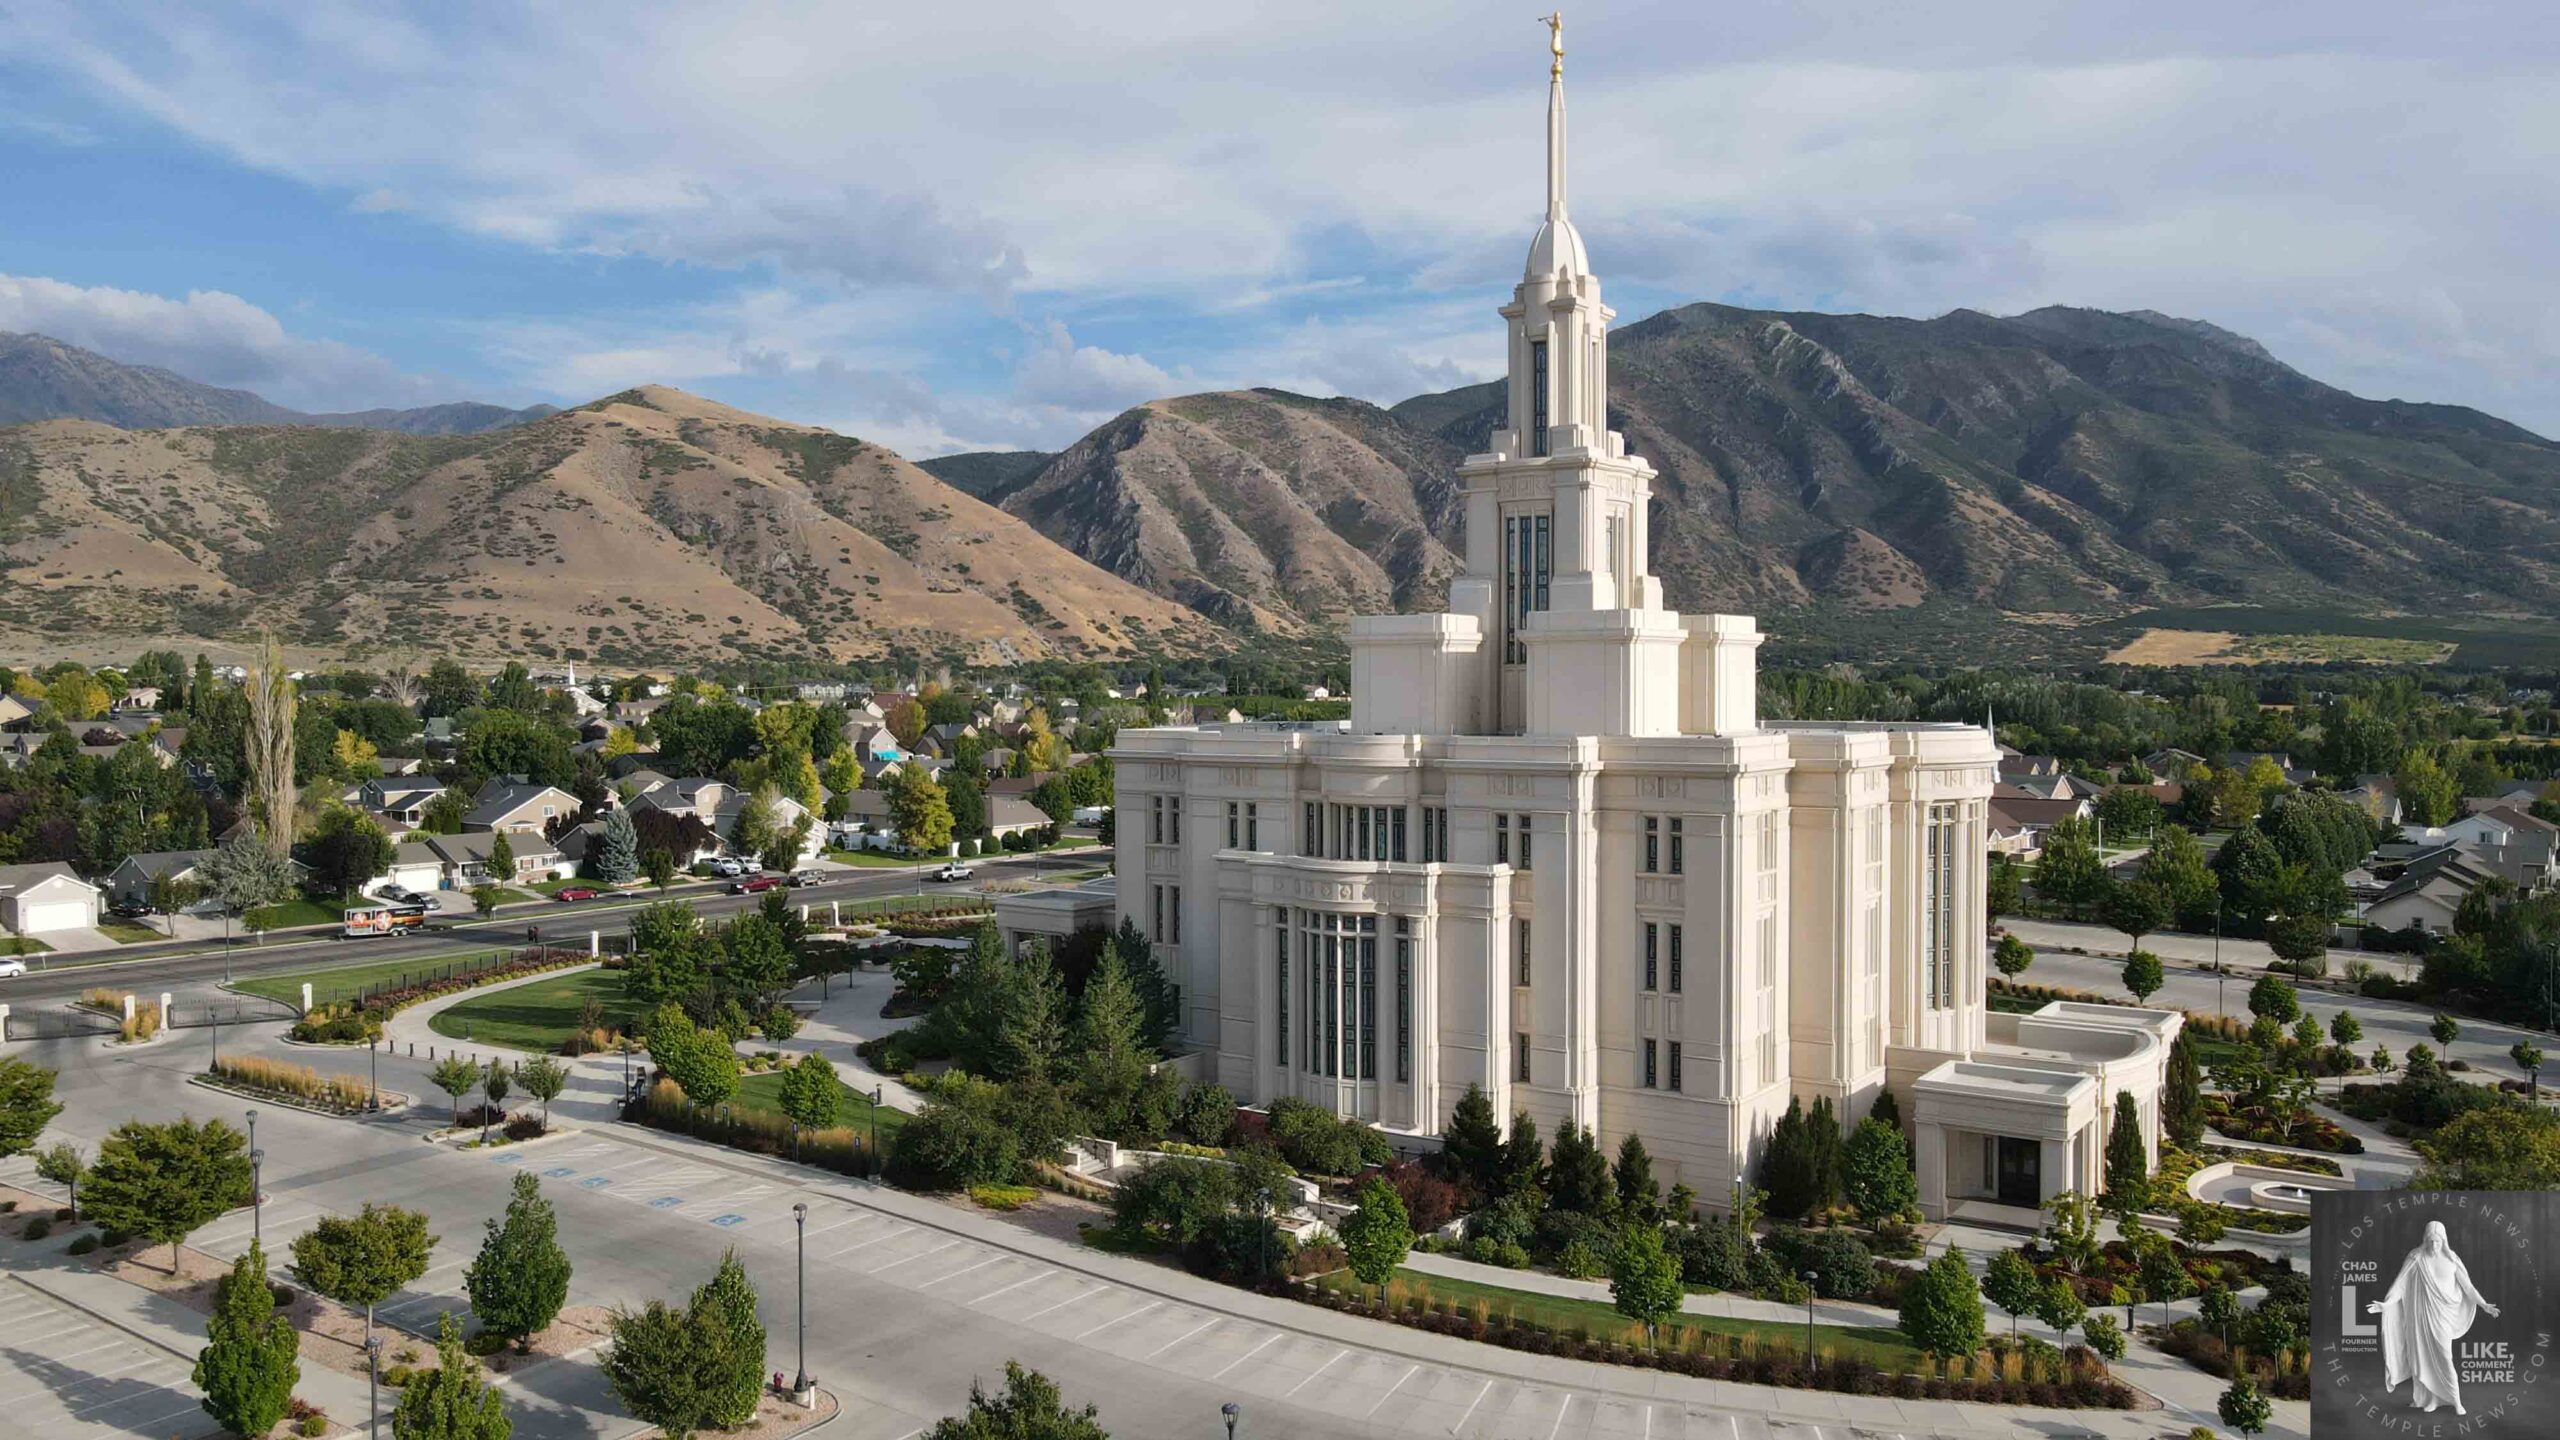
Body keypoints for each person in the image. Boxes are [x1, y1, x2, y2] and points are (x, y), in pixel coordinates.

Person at [2368, 1220, 2500, 1414]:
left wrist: (2484, 1304)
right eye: (2430, 1241)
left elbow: (2468, 1287)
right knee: (2422, 1357)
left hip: (2443, 1317)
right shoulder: (2416, 1258)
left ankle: (2456, 1401)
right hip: (2420, 1318)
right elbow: (2400, 1285)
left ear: (2444, 1241)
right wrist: (2386, 1304)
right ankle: (2430, 1399)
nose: (2433, 1246)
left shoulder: (2452, 1259)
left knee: (2445, 1357)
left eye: (2437, 1242)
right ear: (2425, 1239)